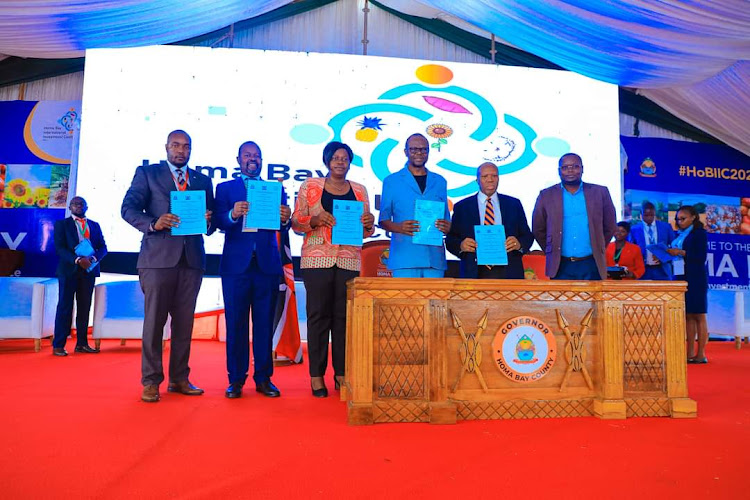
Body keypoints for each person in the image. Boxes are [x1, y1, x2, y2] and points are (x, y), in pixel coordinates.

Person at [121, 129, 214, 403]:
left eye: (186, 146)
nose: (180, 150)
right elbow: (127, 209)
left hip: (192, 260)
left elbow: (210, 225)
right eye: (175, 145)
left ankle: (179, 378)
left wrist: (208, 220)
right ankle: (151, 381)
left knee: (184, 325)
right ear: (166, 147)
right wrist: (153, 223)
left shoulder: (202, 180)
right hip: (158, 260)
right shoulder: (148, 174)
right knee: (154, 323)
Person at [292, 141, 375, 397]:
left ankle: (341, 374)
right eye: (335, 158)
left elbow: (367, 228)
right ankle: (316, 376)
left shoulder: (360, 190)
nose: (340, 162)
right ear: (327, 161)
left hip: (349, 260)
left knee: (343, 320)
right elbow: (296, 221)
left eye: (345, 158)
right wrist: (315, 220)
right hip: (317, 259)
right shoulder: (310, 186)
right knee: (318, 318)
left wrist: (369, 223)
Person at [214, 141, 291, 399]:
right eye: (247, 155)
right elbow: (217, 222)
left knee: (263, 325)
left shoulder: (274, 189)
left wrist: (285, 218)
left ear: (261, 160)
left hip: (266, 264)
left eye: (256, 156)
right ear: (238, 159)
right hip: (236, 266)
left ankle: (264, 378)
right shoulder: (225, 188)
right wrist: (233, 215)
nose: (252, 159)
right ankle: (235, 380)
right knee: (235, 324)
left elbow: (282, 226)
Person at [531, 153, 617, 280]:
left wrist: (598, 245)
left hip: (591, 263)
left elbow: (610, 226)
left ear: (582, 169)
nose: (570, 170)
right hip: (560, 265)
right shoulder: (546, 195)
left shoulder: (600, 192)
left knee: (592, 300)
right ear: (559, 171)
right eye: (565, 167)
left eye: (575, 166)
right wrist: (552, 250)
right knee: (562, 300)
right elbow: (538, 228)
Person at [378, 133, 451, 277]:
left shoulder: (440, 181)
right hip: (405, 258)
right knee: (405, 300)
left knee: (435, 300)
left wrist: (447, 227)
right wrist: (399, 227)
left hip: (434, 259)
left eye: (424, 149)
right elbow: (383, 220)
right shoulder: (391, 181)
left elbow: (446, 219)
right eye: (414, 149)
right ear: (406, 152)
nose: (419, 153)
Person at [446, 162, 533, 278]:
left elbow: (527, 235)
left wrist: (519, 244)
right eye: (485, 176)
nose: (490, 180)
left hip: (508, 271)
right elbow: (451, 239)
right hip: (473, 271)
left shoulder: (513, 204)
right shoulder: (462, 207)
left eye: (494, 176)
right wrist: (461, 245)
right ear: (477, 180)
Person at [52, 196, 108, 356]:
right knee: (64, 307)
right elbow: (59, 248)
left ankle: (82, 344)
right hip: (68, 270)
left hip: (89, 271)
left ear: (87, 207)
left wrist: (93, 259)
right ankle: (58, 345)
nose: (78, 206)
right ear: (70, 207)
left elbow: (103, 247)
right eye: (75, 204)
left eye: (82, 204)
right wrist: (77, 260)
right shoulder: (62, 224)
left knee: (85, 308)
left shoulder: (94, 226)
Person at [667, 205, 708, 364]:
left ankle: (701, 353)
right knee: (688, 315)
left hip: (696, 277)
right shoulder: (679, 234)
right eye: (677, 219)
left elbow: (700, 257)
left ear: (693, 218)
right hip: (681, 276)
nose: (679, 221)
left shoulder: (699, 234)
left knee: (699, 315)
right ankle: (690, 351)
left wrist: (681, 253)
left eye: (683, 218)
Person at [629, 201, 675, 280]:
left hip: (662, 269)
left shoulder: (666, 227)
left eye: (651, 215)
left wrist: (663, 256)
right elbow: (631, 249)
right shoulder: (634, 229)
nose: (649, 218)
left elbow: (674, 247)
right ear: (641, 214)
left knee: (664, 292)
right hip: (643, 270)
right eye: (646, 215)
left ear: (655, 214)